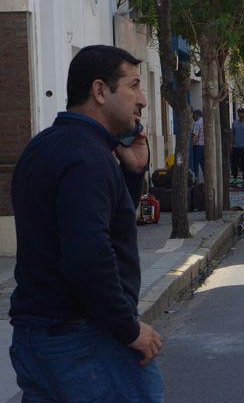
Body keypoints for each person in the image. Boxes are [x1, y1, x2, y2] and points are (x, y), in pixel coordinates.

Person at [9, 45, 164, 401]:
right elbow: (89, 256)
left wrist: (133, 172)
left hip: (38, 337)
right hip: (83, 341)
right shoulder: (88, 158)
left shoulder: (45, 146)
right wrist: (128, 329)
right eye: (134, 85)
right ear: (99, 91)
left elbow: (103, 225)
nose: (142, 100)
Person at [190, 109, 205, 182]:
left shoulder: (197, 123)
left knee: (195, 165)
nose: (192, 117)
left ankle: (195, 180)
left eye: (193, 115)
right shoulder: (204, 122)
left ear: (196, 115)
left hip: (198, 147)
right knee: (204, 165)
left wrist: (191, 146)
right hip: (204, 146)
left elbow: (195, 137)